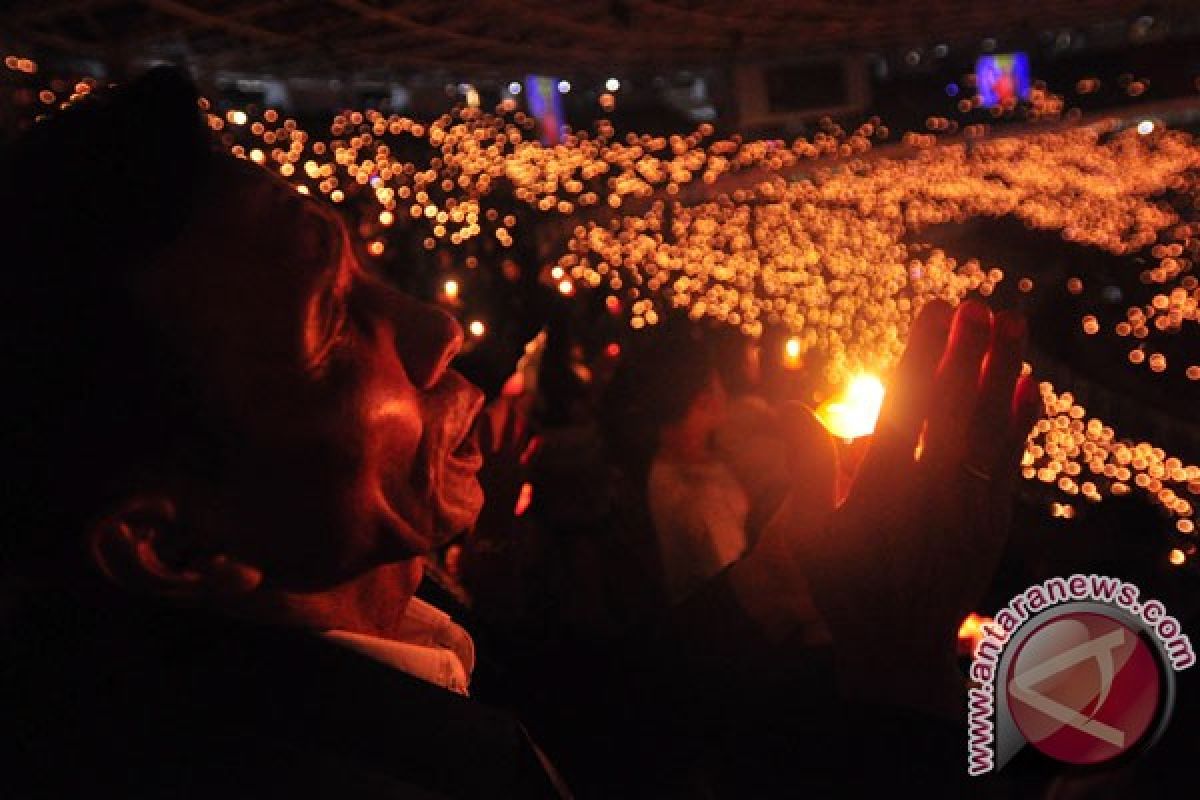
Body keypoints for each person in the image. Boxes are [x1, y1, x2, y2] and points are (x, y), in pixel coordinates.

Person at [2, 67, 1039, 797]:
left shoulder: (410, 638)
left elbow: (594, 729)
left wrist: (786, 576)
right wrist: (898, 663)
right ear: (171, 542)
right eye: (332, 324)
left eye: (363, 268)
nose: (436, 324)